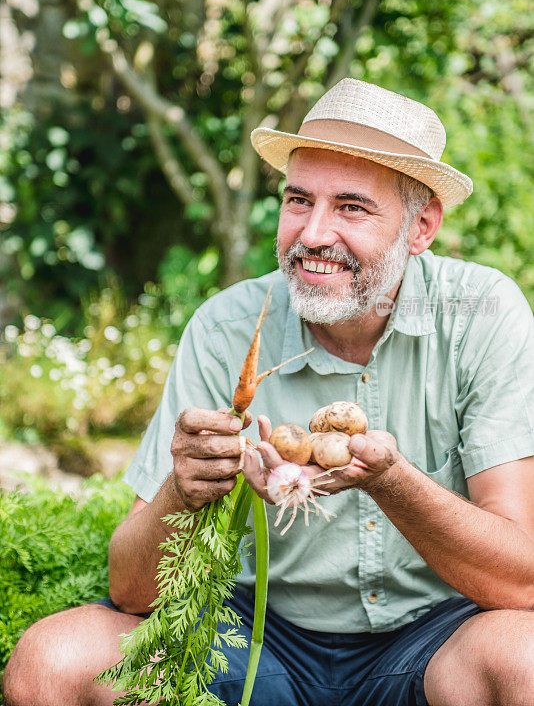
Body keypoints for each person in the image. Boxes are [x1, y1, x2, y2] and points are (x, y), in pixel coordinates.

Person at [3, 78, 534, 706]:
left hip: (435, 641)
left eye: (352, 208)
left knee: (525, 659)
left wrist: (392, 479)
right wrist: (183, 487)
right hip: (256, 640)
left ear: (421, 226)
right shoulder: (228, 325)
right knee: (52, 662)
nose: (312, 233)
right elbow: (131, 592)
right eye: (298, 200)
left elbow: (521, 581)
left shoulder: (480, 313)